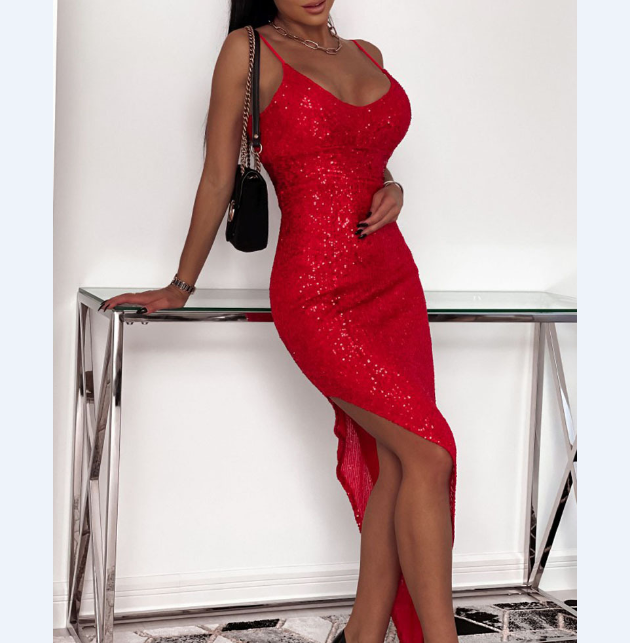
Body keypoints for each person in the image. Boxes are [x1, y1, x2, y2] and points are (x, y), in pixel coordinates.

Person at [99, 2, 458, 642]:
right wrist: (180, 285)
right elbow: (218, 175)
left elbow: (363, 153)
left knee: (401, 460)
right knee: (430, 452)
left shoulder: (368, 54)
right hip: (318, 293)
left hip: (394, 283)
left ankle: (363, 633)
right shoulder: (249, 51)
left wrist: (395, 186)